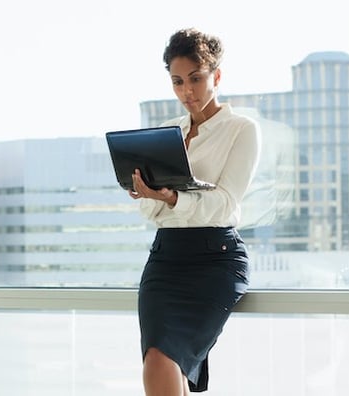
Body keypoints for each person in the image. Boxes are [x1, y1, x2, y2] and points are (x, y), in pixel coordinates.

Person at [128, 27, 261, 395]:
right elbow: (150, 216)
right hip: (165, 260)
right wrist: (152, 196)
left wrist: (171, 200)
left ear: (216, 76)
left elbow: (224, 204)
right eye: (177, 81)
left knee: (163, 360)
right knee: (159, 360)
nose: (187, 91)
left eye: (196, 79)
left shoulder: (241, 130)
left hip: (215, 260)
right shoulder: (167, 132)